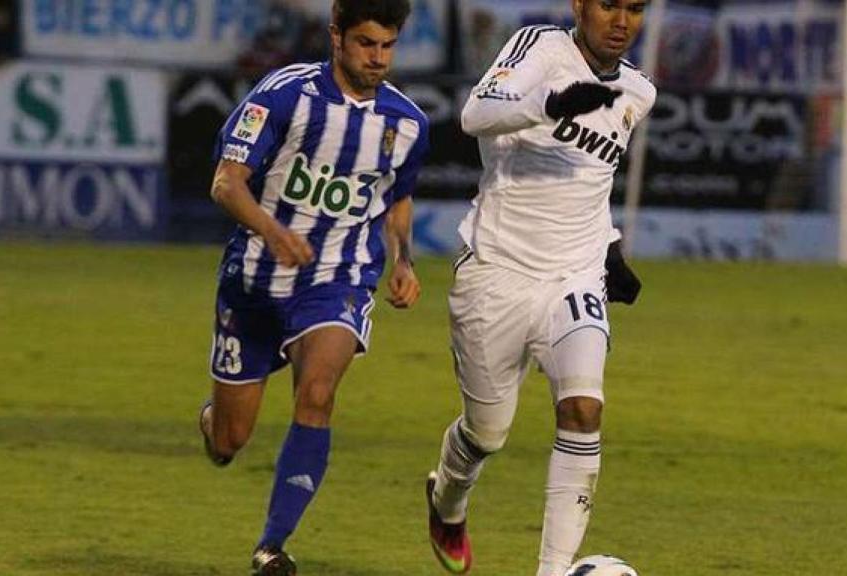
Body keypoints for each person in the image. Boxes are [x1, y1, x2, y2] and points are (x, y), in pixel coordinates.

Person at [424, 1, 653, 575]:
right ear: (579, 5)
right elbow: (475, 115)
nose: (621, 20)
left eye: (635, 8)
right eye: (608, 5)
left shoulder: (637, 92)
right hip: (496, 273)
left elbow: (593, 181)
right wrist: (550, 104)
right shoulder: (540, 49)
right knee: (487, 432)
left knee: (583, 409)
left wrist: (608, 249)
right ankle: (447, 501)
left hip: (573, 280)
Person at [197, 1, 426, 574]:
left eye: (388, 46)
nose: (378, 58)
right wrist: (272, 231)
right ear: (336, 36)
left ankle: (271, 547)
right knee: (229, 441)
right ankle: (213, 421)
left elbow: (397, 197)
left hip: (339, 278)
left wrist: (403, 259)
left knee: (319, 393)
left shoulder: (408, 123)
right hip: (254, 281)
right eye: (366, 44)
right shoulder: (282, 94)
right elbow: (226, 184)